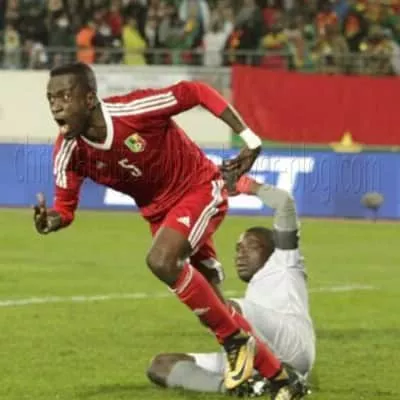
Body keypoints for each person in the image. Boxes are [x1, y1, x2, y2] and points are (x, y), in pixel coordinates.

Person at [32, 62, 308, 399]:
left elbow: (195, 92)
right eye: (51, 99)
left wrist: (250, 139)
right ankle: (283, 380)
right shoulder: (68, 151)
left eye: (65, 96)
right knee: (217, 308)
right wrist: (53, 220)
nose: (56, 106)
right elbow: (65, 207)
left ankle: (235, 343)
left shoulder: (133, 111)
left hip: (198, 187)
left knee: (162, 261)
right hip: (160, 216)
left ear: (89, 99)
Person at [147, 175, 315, 397]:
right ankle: (236, 386)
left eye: (250, 246)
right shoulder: (255, 289)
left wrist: (250, 186)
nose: (240, 255)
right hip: (260, 349)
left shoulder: (285, 261)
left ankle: (270, 370)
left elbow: (284, 203)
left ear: (272, 248)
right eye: (238, 249)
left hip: (293, 343)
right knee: (160, 365)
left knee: (223, 308)